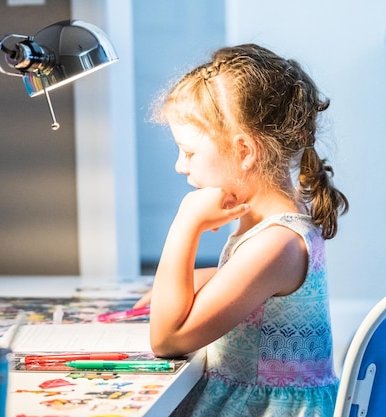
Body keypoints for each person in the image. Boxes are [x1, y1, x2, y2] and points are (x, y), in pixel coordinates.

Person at [133, 44, 348, 416]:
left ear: (245, 150)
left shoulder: (277, 243)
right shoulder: (277, 226)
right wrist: (204, 280)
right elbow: (258, 290)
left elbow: (167, 340)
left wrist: (186, 221)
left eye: (189, 152)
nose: (180, 167)